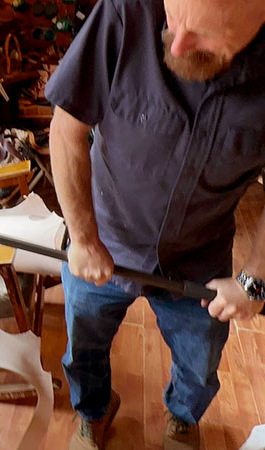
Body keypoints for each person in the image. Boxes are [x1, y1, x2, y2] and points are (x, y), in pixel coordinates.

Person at [45, 0, 265, 449]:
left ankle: (183, 419)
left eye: (204, 34)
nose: (176, 42)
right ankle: (94, 411)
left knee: (199, 361)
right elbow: (66, 129)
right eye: (173, 18)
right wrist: (83, 238)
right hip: (103, 239)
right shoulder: (126, 11)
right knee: (83, 348)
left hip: (200, 260)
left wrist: (255, 281)